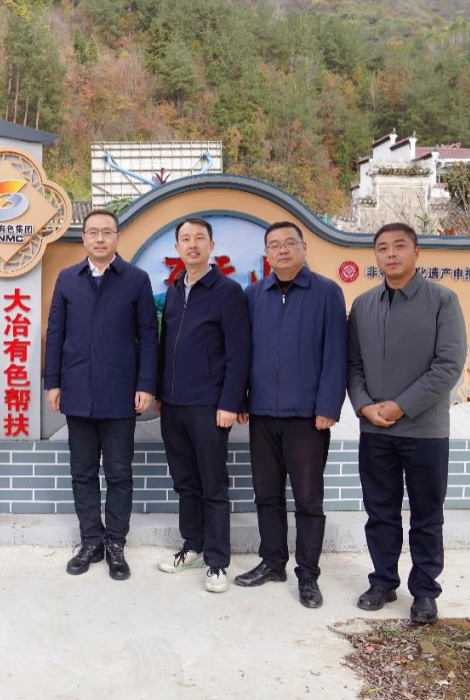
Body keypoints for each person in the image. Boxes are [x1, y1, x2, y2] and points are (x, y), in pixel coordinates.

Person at [348, 222, 467, 624]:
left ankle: (425, 591)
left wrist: (399, 407)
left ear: (417, 252)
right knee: (380, 511)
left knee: (426, 514)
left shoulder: (442, 300)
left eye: (400, 246)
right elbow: (353, 365)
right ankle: (383, 581)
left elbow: (448, 365)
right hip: (374, 430)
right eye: (382, 248)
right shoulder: (363, 305)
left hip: (424, 431)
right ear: (376, 256)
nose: (391, 254)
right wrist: (365, 407)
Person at [235, 221, 347, 609]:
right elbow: (243, 352)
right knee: (266, 494)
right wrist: (242, 398)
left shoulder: (326, 292)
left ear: (304, 247)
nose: (282, 250)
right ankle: (272, 562)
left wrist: (328, 406)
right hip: (262, 412)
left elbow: (336, 353)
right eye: (274, 245)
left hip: (307, 417)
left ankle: (308, 574)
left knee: (308, 500)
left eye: (289, 243)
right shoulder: (254, 294)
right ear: (266, 253)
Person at [44, 209, 159, 581]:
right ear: (84, 238)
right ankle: (91, 541)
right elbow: (56, 333)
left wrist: (146, 384)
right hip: (77, 392)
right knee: (82, 473)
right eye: (92, 232)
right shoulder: (67, 279)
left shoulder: (136, 279)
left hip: (120, 394)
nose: (99, 238)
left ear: (117, 237)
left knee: (119, 474)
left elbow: (148, 336)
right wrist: (53, 382)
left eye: (106, 232)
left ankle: (116, 544)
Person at [156, 217, 251, 593]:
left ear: (211, 246)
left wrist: (230, 401)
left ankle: (217, 561)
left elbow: (239, 352)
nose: (192, 244)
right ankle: (192, 546)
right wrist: (161, 393)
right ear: (177, 248)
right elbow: (165, 346)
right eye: (185, 239)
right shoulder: (174, 290)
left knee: (213, 484)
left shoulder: (227, 291)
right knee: (185, 482)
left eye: (199, 238)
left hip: (210, 406)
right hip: (173, 406)